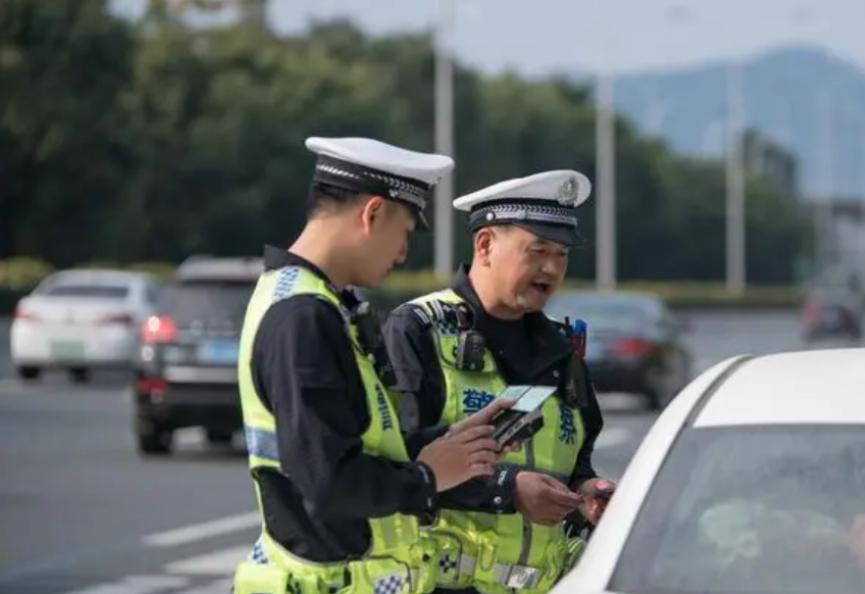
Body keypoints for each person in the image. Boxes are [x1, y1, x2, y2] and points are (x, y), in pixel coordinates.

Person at [233, 137, 512, 594]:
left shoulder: (298, 297)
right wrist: (426, 477)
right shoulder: (305, 316)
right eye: (405, 233)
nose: (401, 254)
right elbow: (328, 482)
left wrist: (444, 443)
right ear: (373, 213)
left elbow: (348, 443)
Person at [383, 170, 616, 594]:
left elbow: (573, 460)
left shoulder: (562, 349)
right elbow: (395, 460)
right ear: (485, 245)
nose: (552, 267)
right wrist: (507, 491)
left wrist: (585, 491)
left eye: (562, 253)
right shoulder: (419, 329)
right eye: (538, 250)